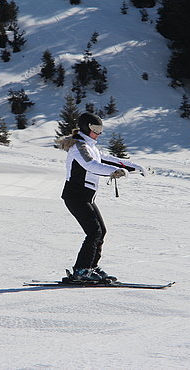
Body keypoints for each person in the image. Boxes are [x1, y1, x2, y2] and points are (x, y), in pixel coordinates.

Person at [58, 112, 146, 282]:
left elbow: (107, 159)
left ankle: (90, 267)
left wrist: (134, 167)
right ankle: (82, 271)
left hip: (86, 197)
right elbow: (91, 165)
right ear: (86, 128)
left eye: (100, 129)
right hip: (75, 195)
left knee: (100, 231)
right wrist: (113, 172)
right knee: (93, 232)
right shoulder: (79, 147)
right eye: (95, 129)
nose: (99, 132)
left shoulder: (91, 147)